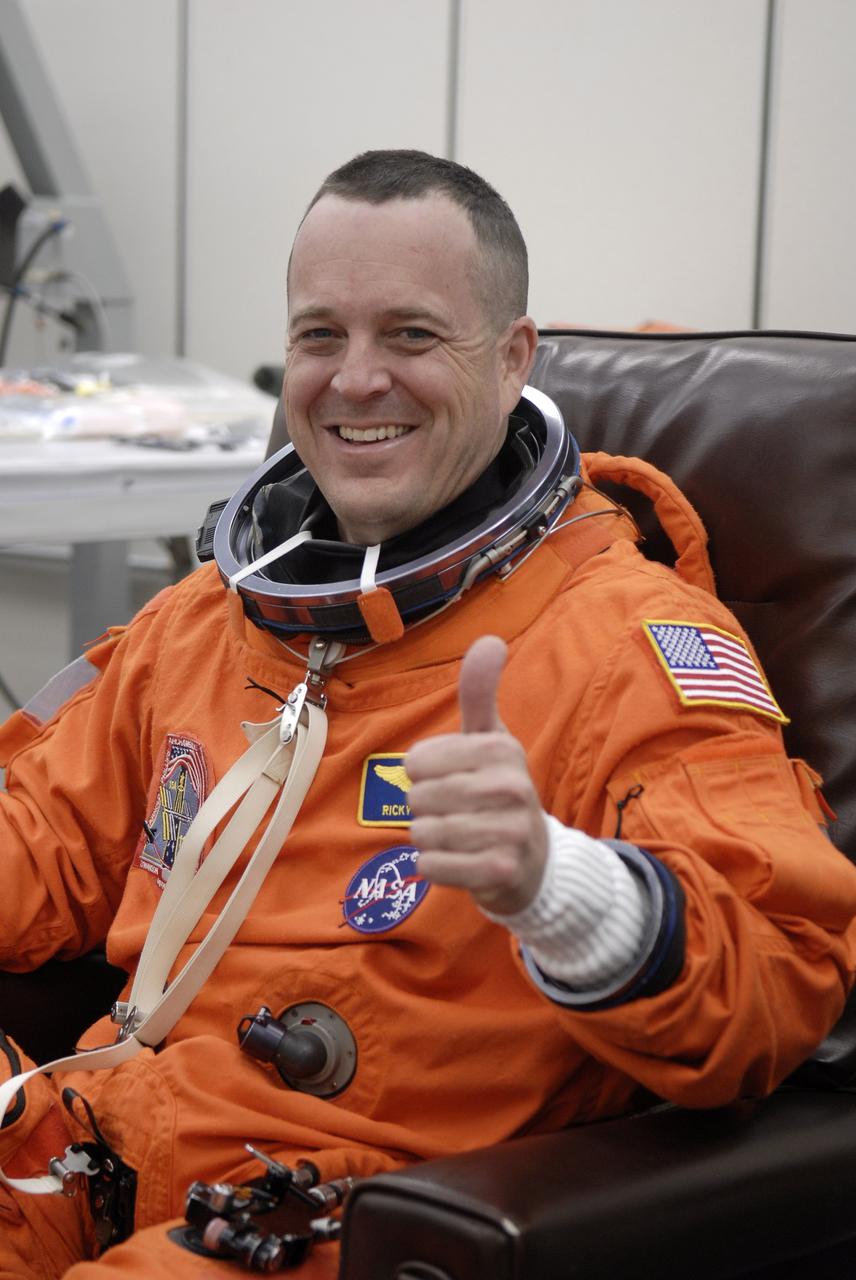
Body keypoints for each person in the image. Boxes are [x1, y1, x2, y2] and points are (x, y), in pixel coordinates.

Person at [2, 149, 856, 1279]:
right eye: (320, 335)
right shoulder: (213, 612)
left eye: (410, 335)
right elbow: (36, 846)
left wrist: (555, 885)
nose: (356, 379)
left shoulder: (623, 644)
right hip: (84, 1147)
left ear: (512, 360)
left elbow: (776, 983)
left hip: (340, 1219)